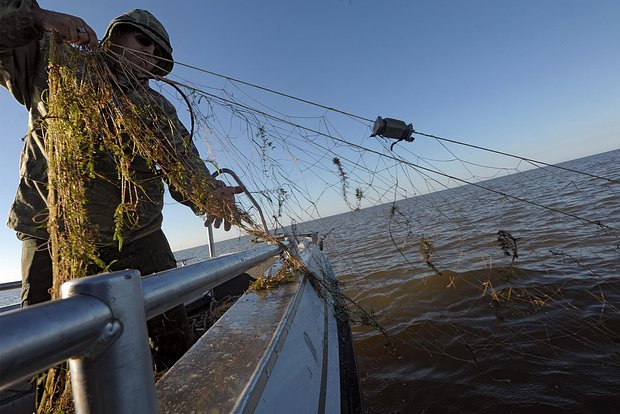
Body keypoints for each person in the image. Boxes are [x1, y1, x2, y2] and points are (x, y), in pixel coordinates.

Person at [0, 1, 242, 368]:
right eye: (143, 40)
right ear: (114, 37)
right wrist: (37, 18)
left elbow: (183, 165)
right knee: (50, 356)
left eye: (158, 52)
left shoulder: (155, 107)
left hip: (140, 238)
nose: (149, 53)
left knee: (175, 348)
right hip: (51, 234)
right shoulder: (51, 62)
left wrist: (209, 194)